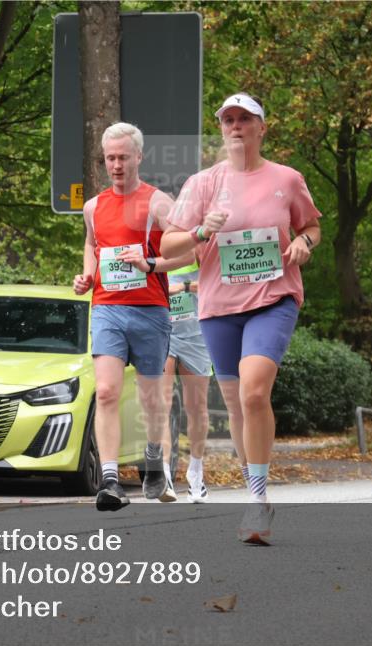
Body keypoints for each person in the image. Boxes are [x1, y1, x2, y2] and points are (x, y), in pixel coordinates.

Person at [161, 93, 321, 543]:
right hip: (219, 306)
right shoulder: (203, 184)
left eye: (244, 119)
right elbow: (170, 245)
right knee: (235, 404)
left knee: (254, 393)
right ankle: (258, 494)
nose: (235, 126)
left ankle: (256, 501)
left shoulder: (287, 179)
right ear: (221, 128)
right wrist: (199, 230)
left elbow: (311, 226)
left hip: (274, 297)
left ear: (261, 128)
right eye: (228, 120)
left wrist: (304, 244)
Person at [73, 122, 194, 511]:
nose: (117, 165)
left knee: (152, 398)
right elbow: (92, 244)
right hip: (106, 307)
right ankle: (110, 480)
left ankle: (155, 459)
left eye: (123, 157)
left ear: (139, 157)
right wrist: (87, 275)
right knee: (106, 391)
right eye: (110, 158)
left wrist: (151, 263)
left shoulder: (160, 203)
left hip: (150, 311)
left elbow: (190, 253)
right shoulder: (93, 207)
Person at [162, 261, 213, 502]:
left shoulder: (201, 243)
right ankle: (164, 475)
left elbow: (216, 283)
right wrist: (185, 286)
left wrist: (188, 286)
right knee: (161, 402)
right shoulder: (159, 244)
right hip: (164, 331)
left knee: (196, 407)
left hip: (197, 335)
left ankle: (196, 473)